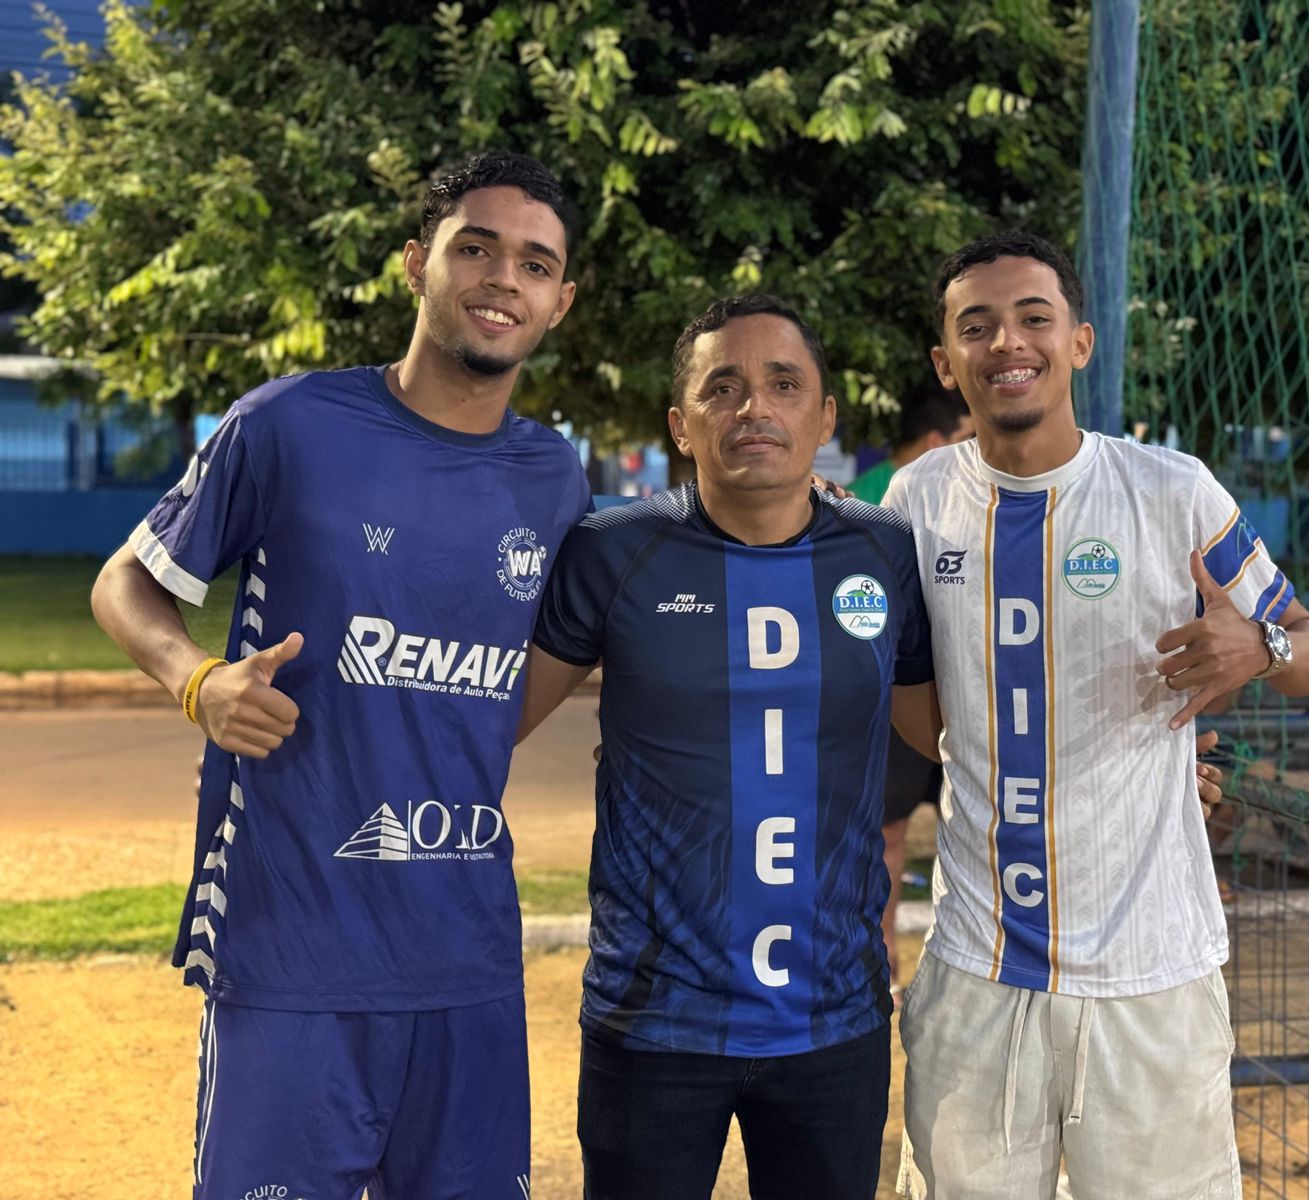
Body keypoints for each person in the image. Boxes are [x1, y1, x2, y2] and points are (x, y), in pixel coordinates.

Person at [89, 151, 590, 1200]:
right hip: (291, 949)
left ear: (559, 303)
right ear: (417, 264)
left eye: (535, 264)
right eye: (476, 248)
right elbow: (128, 583)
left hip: (466, 963)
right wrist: (200, 681)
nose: (504, 278)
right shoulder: (289, 425)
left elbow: (541, 659)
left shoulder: (554, 477)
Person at [887, 231, 1309, 1200]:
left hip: (1150, 972)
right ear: (945, 361)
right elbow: (923, 720)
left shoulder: (1170, 493)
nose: (1008, 341)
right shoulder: (914, 505)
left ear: (1079, 342)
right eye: (977, 326)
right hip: (979, 965)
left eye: (1032, 318)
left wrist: (1256, 650)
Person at [514, 294, 937, 1200]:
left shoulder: (884, 554)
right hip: (653, 1024)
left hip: (836, 1025)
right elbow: (487, 718)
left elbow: (950, 731)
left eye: (786, 385)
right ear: (681, 423)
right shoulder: (613, 552)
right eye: (725, 387)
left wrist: (1149, 749)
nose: (756, 409)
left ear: (824, 418)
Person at [851, 382, 974, 991]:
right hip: (904, 697)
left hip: (961, 698)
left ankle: (889, 964)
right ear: (936, 441)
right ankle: (885, 961)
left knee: (905, 839)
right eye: (967, 437)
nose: (978, 447)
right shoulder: (882, 499)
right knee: (888, 836)